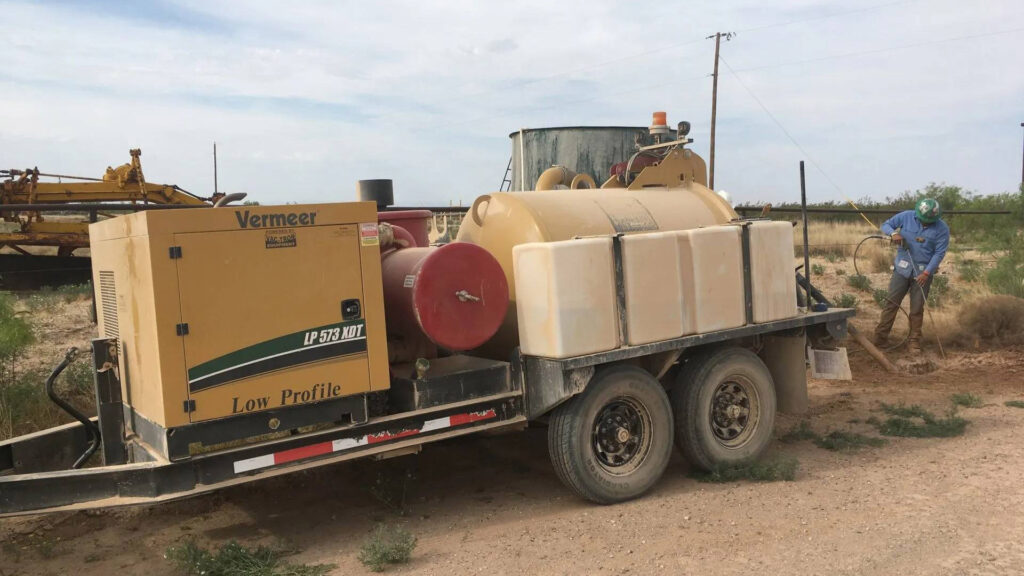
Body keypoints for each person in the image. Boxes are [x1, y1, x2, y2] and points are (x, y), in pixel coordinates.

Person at [873, 198, 949, 354]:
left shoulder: (942, 229)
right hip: (901, 269)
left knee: (917, 308)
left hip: (923, 273)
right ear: (918, 213)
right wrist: (894, 233)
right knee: (891, 303)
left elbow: (939, 253)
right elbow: (886, 225)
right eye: (923, 219)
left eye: (929, 221)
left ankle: (914, 341)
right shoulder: (906, 216)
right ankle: (880, 338)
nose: (926, 222)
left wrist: (927, 273)